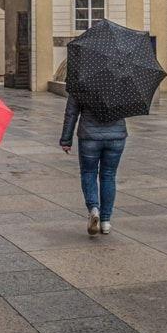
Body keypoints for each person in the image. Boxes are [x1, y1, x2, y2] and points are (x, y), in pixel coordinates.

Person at [60, 95, 127, 236]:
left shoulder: (80, 81)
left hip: (89, 136)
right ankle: (105, 221)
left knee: (88, 172)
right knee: (109, 176)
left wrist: (66, 139)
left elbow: (71, 112)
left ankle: (94, 208)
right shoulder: (123, 81)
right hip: (116, 136)